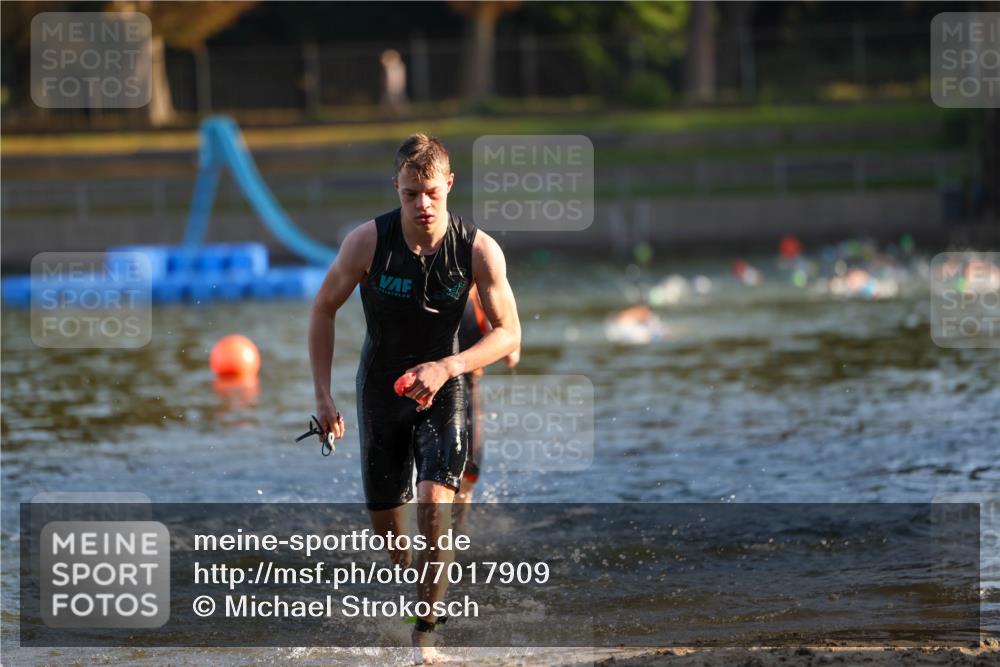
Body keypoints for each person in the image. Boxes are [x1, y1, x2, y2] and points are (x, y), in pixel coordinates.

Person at [308, 134, 521, 664]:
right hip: (379, 392)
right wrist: (322, 396)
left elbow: (509, 333)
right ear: (396, 189)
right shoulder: (366, 243)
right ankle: (420, 587)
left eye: (431, 191)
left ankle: (424, 635)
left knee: (434, 505)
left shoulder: (477, 248)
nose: (422, 205)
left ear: (449, 185)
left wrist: (450, 365)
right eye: (410, 194)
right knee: (391, 538)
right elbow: (322, 310)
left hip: (444, 388)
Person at [452, 285, 520, 532]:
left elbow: (512, 354)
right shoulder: (485, 289)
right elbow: (513, 356)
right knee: (465, 477)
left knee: (465, 476)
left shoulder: (483, 293)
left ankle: (447, 541)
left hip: (447, 387)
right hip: (458, 389)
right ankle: (452, 539)